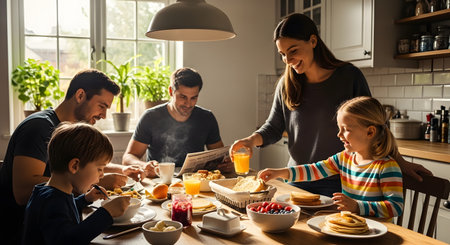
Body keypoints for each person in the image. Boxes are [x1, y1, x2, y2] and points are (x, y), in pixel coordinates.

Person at [230, 13, 431, 197]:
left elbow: (378, 126)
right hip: (297, 180)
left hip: (340, 183)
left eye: (293, 51)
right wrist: (250, 141)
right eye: (282, 54)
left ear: (313, 41)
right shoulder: (287, 83)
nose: (288, 60)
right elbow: (273, 127)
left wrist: (401, 163)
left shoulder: (349, 77)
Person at [0, 69, 141, 245]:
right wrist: (98, 185)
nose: (104, 115)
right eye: (102, 106)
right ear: (80, 95)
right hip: (17, 232)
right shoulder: (39, 128)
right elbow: (22, 193)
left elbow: (80, 165)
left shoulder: (67, 134)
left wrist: (120, 170)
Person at [259, 97, 404, 219]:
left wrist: (357, 207)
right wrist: (280, 173)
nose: (339, 135)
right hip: (348, 228)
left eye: (346, 130)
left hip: (376, 234)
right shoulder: (344, 158)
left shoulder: (387, 167)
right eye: (339, 128)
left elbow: (396, 207)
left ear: (370, 132)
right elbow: (315, 170)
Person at [22, 122, 131, 245]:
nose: (101, 175)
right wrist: (107, 213)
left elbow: (64, 212)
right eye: (100, 169)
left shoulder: (49, 193)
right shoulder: (52, 201)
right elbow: (68, 240)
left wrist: (84, 199)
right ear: (75, 166)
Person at [123, 67, 232, 177]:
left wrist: (227, 164)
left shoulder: (207, 118)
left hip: (195, 182)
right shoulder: (150, 117)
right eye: (183, 97)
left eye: (193, 98)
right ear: (171, 91)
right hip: (159, 181)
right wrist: (143, 165)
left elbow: (220, 156)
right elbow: (128, 157)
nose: (188, 104)